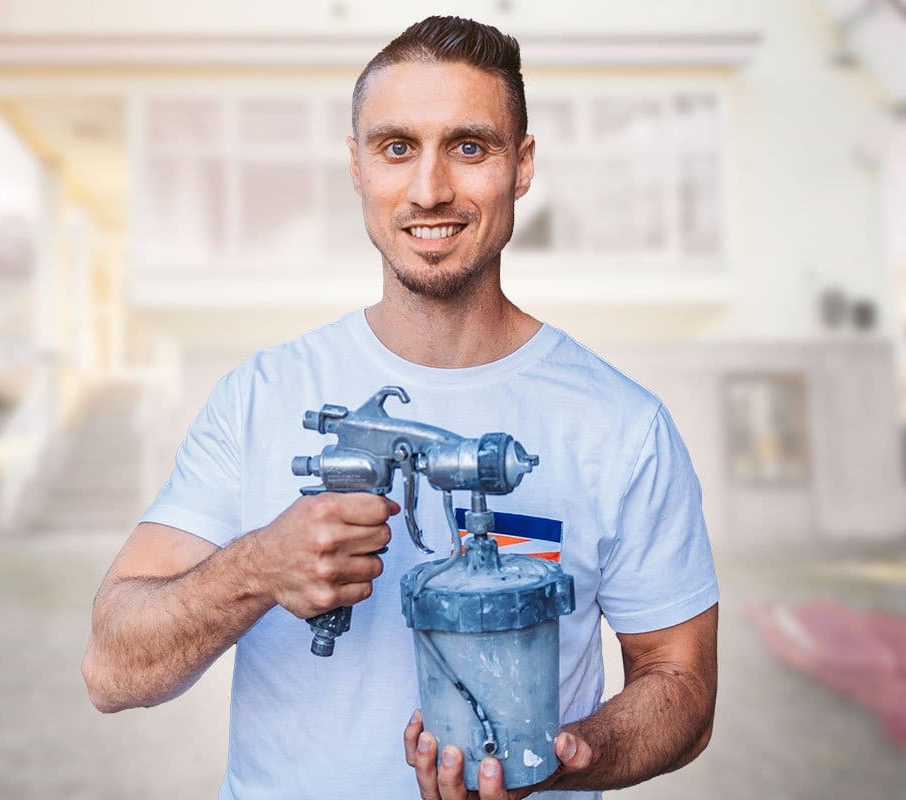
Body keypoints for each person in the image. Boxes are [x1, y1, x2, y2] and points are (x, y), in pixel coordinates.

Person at [81, 15, 718, 800]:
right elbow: (113, 669)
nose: (429, 190)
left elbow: (681, 686)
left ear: (521, 166)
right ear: (357, 167)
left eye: (469, 146)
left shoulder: (622, 426)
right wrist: (256, 568)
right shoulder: (262, 396)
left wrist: (550, 759)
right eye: (396, 148)